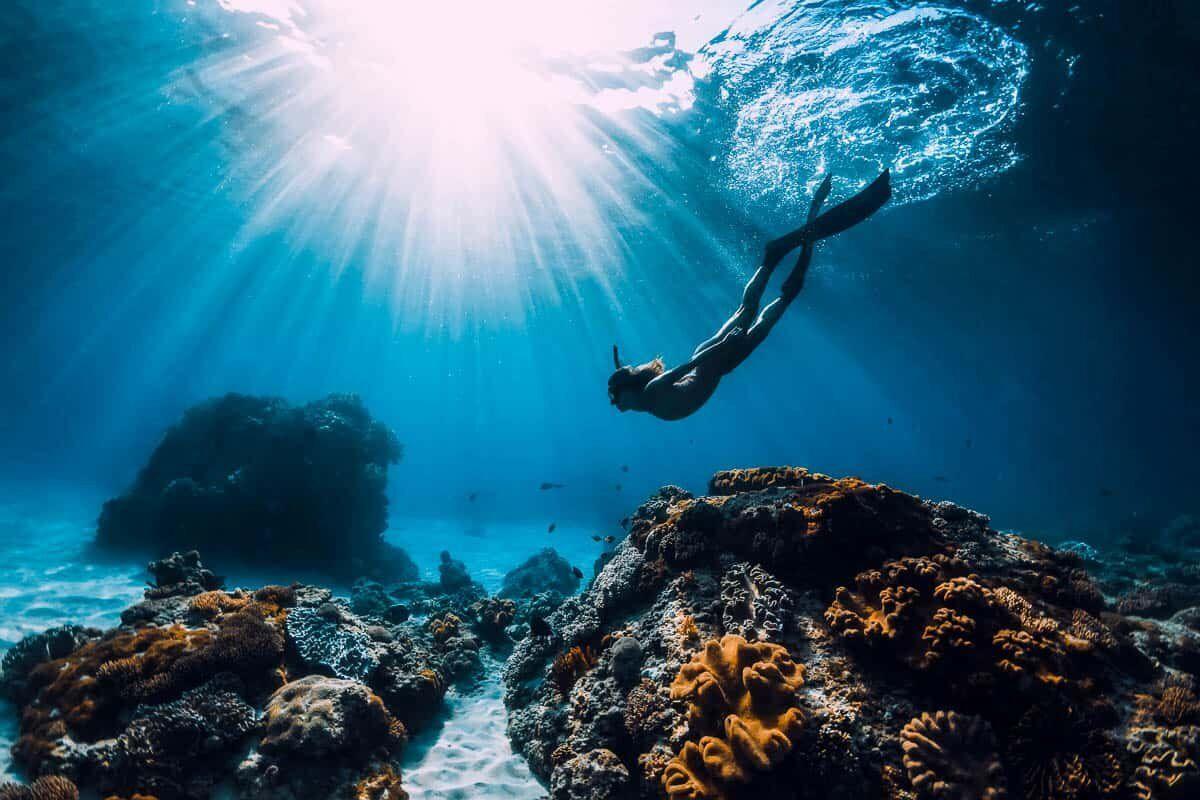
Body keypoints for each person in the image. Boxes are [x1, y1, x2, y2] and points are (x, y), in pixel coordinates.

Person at [608, 169, 891, 421]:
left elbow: (688, 366)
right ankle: (781, 254)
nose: (615, 405)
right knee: (757, 315)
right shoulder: (647, 402)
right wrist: (623, 371)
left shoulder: (651, 392)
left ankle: (771, 258)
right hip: (717, 366)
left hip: (711, 361)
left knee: (749, 312)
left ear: (626, 391)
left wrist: (722, 346)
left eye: (615, 397)